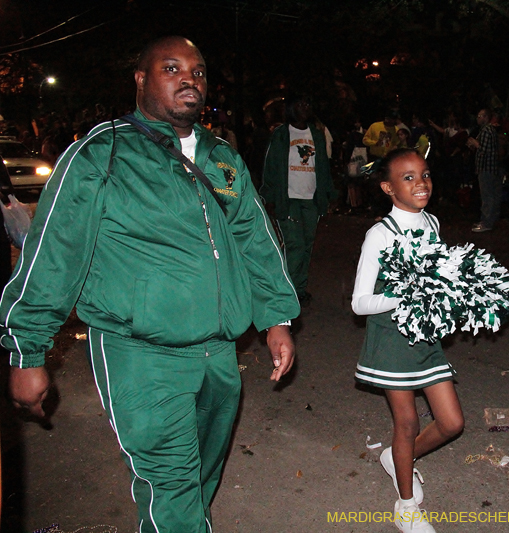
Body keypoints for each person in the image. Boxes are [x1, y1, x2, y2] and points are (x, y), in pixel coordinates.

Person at [1, 36, 300, 532]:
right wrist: (27, 353)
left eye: (199, 71)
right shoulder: (101, 153)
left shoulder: (221, 156)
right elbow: (52, 256)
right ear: (141, 80)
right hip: (140, 354)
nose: (189, 79)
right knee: (172, 483)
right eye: (172, 68)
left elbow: (255, 240)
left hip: (218, 351)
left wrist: (277, 318)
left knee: (201, 475)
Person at [352, 148, 464, 533]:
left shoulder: (432, 221)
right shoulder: (380, 234)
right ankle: (405, 506)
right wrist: (406, 294)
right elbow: (360, 302)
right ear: (388, 187)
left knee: (451, 423)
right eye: (409, 177)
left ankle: (398, 458)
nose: (422, 184)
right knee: (407, 422)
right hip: (391, 340)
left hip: (425, 335)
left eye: (425, 174)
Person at [261, 93, 335, 308]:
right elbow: (271, 166)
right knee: (294, 245)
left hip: (311, 198)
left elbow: (323, 166)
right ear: (291, 108)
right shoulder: (281, 134)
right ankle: (288, 292)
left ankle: (299, 289)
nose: (305, 107)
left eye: (307, 103)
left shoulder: (317, 134)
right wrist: (269, 196)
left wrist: (328, 194)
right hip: (289, 198)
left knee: (307, 246)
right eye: (300, 104)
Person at [468, 109, 502, 232]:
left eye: (479, 116)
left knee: (487, 196)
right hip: (489, 168)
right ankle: (490, 220)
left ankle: (487, 222)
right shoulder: (487, 130)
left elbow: (486, 151)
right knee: (491, 195)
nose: (477, 119)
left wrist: (476, 144)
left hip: (487, 167)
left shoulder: (487, 130)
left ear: (486, 117)